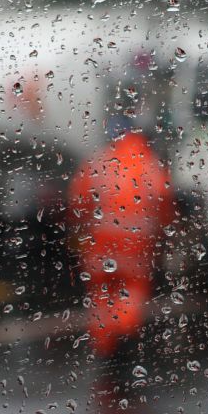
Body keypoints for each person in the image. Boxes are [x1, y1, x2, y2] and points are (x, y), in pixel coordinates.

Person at [67, 116, 176, 360]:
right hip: (135, 245)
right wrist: (163, 233)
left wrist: (82, 227)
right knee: (132, 290)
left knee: (101, 293)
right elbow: (163, 201)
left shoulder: (98, 161)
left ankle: (105, 345)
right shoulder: (149, 163)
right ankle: (125, 336)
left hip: (100, 242)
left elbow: (78, 199)